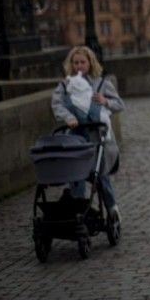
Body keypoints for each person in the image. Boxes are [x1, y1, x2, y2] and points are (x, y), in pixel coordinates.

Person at [50, 46, 124, 218]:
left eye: (82, 62)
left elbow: (119, 104)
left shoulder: (102, 83)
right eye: (75, 63)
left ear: (90, 63)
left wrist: (105, 101)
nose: (79, 66)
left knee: (101, 175)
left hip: (98, 136)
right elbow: (56, 104)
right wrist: (68, 117)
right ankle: (78, 209)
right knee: (76, 175)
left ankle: (112, 207)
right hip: (76, 135)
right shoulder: (65, 84)